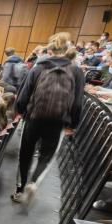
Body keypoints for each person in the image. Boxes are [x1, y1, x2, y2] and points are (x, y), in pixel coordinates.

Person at [15, 32, 84, 205]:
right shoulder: (76, 71)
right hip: (58, 121)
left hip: (33, 117)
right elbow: (77, 102)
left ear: (50, 51)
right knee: (46, 155)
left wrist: (22, 112)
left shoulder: (38, 68)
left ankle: (20, 188)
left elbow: (23, 96)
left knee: (26, 153)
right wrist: (73, 124)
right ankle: (34, 182)